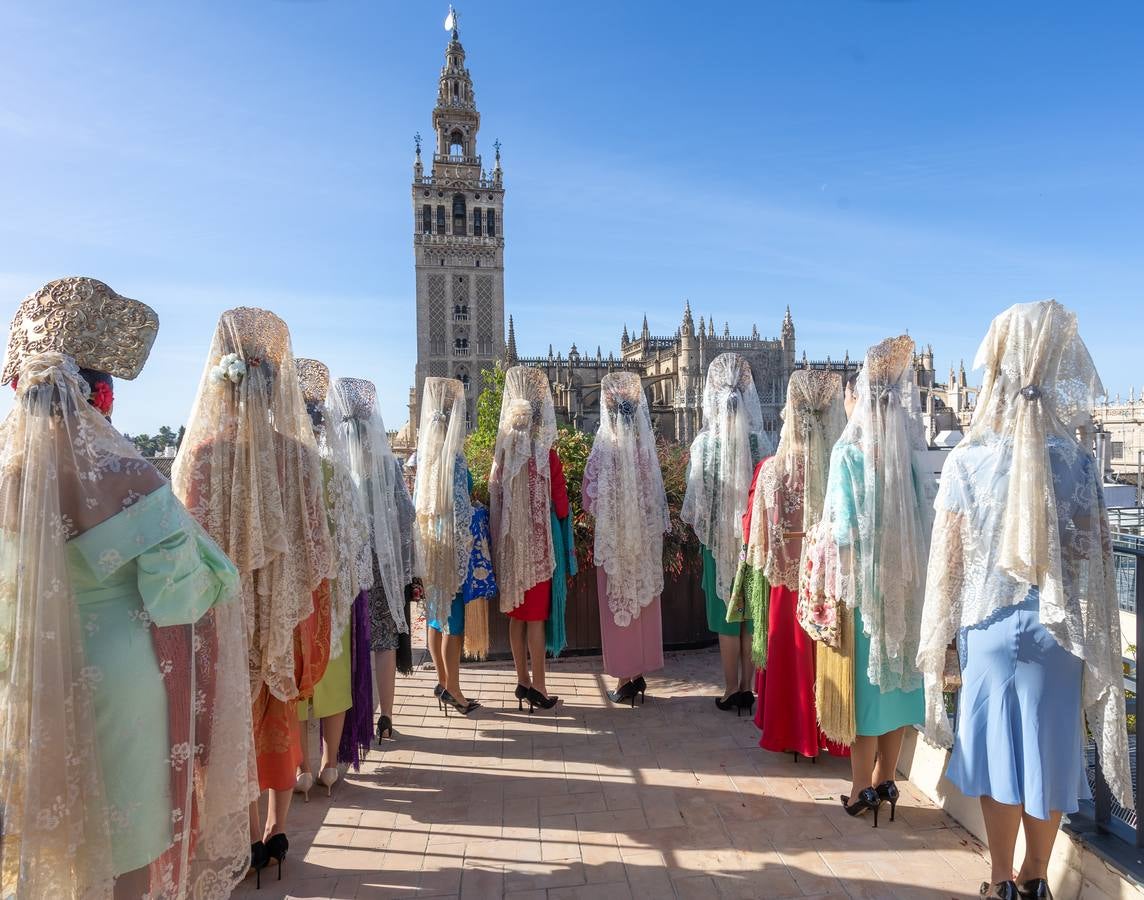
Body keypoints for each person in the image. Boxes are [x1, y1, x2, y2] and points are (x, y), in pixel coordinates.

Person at [0, 277, 255, 899]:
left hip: (28, 665)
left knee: (49, 838)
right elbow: (179, 596)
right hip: (117, 673)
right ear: (99, 396)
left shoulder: (9, 479)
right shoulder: (128, 475)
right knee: (128, 840)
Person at [918, 301, 1131, 900]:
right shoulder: (1077, 462)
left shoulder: (967, 459)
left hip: (987, 627)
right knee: (1050, 749)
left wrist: (943, 641)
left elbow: (949, 562)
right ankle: (1038, 876)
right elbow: (1090, 552)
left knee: (995, 754)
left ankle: (1001, 879)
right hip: (1054, 629)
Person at [173, 307, 334, 881]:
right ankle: (277, 828)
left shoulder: (202, 456)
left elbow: (188, 546)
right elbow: (316, 546)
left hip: (224, 612)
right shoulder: (299, 456)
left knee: (232, 717)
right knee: (278, 711)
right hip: (283, 607)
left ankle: (245, 839)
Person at [802, 335, 931, 826]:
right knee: (896, 684)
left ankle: (861, 789)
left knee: (866, 691)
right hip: (904, 587)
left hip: (863, 590)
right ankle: (887, 779)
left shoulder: (848, 451)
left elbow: (840, 532)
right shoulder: (907, 451)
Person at [733, 369, 849, 760]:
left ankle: (791, 733)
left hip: (785, 585)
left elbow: (757, 538)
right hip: (829, 587)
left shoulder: (771, 470)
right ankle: (829, 733)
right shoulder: (839, 467)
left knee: (788, 653)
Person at [293, 359, 373, 799]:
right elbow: (356, 532)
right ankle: (328, 764)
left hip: (293, 589)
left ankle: (300, 768)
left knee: (293, 676)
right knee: (334, 672)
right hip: (332, 588)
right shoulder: (336, 471)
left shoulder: (283, 469)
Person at [682, 352, 774, 714]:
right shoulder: (760, 443)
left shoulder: (704, 445)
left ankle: (730, 688)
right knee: (750, 614)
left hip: (719, 543)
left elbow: (695, 501)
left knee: (726, 618)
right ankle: (748, 688)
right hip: (753, 541)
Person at [332, 377, 417, 741]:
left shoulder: (334, 463)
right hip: (383, 565)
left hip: (347, 566)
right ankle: (386, 718)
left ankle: (354, 718)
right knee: (384, 641)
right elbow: (407, 513)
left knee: (352, 642)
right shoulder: (389, 466)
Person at [490, 366, 575, 714]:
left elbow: (495, 495)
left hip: (512, 549)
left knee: (517, 617)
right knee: (536, 618)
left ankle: (522, 680)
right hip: (539, 550)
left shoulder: (503, 455)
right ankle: (539, 686)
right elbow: (561, 503)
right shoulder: (546, 454)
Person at [583, 371, 669, 705]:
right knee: (642, 601)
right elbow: (655, 496)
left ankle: (624, 678)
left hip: (615, 542)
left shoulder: (603, 448)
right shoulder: (644, 449)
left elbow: (589, 497)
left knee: (618, 607)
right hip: (643, 542)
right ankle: (639, 673)